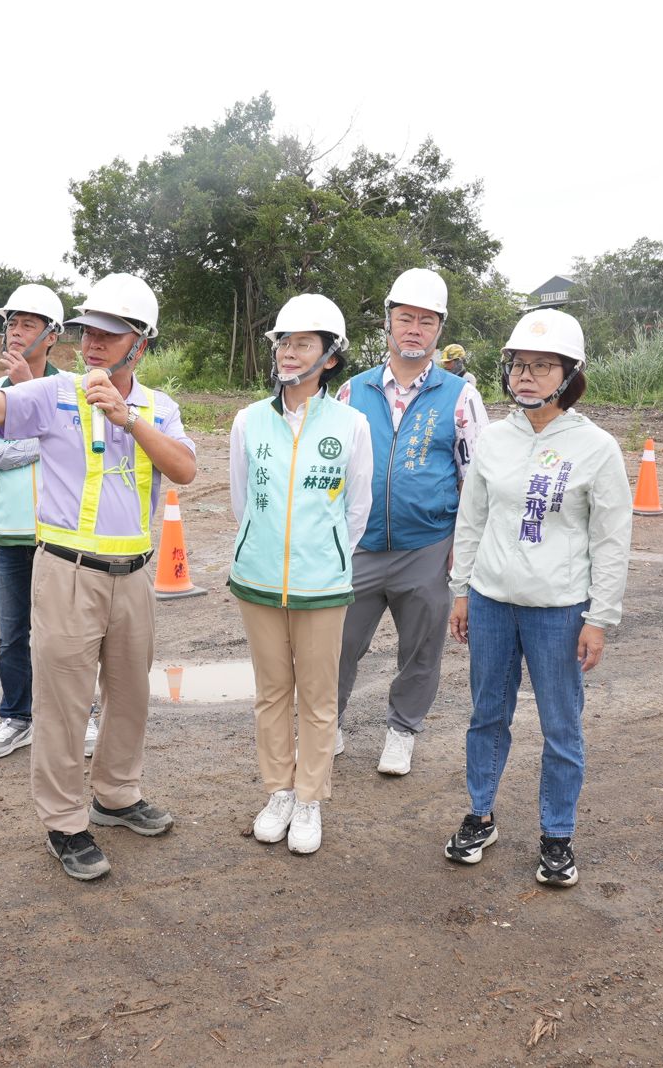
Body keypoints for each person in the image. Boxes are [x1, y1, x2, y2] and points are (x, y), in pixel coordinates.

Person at [0, 273, 197, 881]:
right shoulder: (54, 393)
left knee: (130, 694)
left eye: (110, 333)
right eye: (87, 331)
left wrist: (129, 418)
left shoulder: (159, 407)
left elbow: (184, 468)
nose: (93, 343)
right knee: (62, 702)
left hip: (134, 575)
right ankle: (64, 822)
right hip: (66, 571)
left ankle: (116, 795)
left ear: (140, 342)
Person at [442, 310, 631, 887]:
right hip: (493, 601)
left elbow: (612, 538)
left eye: (542, 366)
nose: (526, 376)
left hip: (559, 610)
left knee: (561, 725)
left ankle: (557, 834)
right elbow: (471, 519)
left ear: (569, 374)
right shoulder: (494, 440)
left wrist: (599, 618)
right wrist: (461, 592)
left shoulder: (596, 447)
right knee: (487, 715)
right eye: (519, 365)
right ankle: (480, 814)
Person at [229, 294, 372, 855]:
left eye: (303, 344)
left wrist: (327, 552)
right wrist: (262, 547)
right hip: (258, 578)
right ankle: (279, 792)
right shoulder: (249, 420)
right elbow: (244, 500)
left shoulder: (352, 424)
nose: (289, 354)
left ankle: (310, 799)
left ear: (329, 357)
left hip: (323, 584)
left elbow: (356, 509)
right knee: (270, 693)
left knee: (316, 696)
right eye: (284, 343)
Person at [336, 268, 488, 775]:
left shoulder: (459, 395)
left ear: (439, 331)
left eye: (426, 321)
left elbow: (476, 479)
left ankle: (401, 732)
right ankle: (324, 725)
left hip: (427, 546)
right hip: (359, 547)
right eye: (405, 318)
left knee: (420, 649)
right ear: (388, 323)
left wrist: (460, 551)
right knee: (335, 644)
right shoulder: (351, 393)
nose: (414, 329)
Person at [0, 284, 104, 760]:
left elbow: (87, 450)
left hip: (61, 534)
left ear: (52, 335)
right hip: (7, 534)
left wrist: (30, 413)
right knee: (13, 634)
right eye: (11, 322)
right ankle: (17, 716)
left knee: (70, 632)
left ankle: (83, 714)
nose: (15, 331)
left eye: (27, 324)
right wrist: (39, 440)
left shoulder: (73, 391)